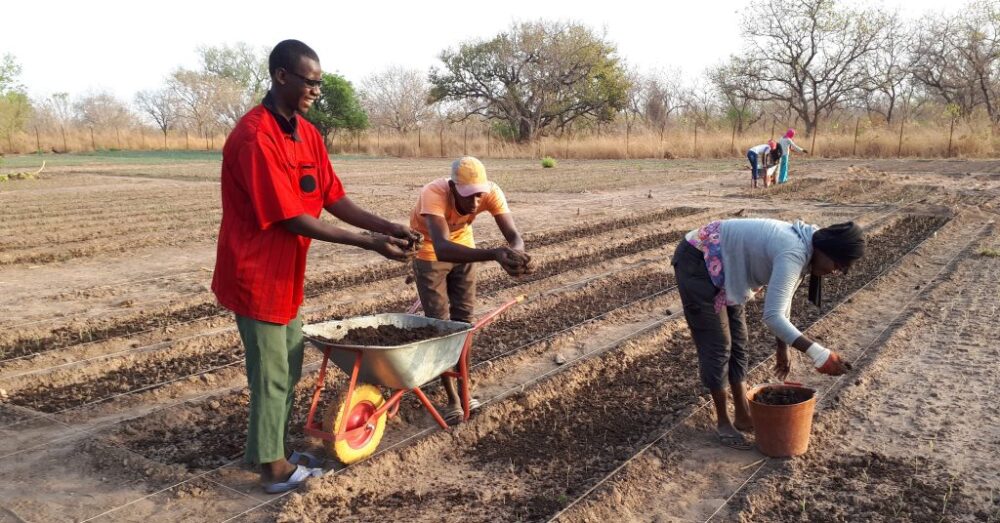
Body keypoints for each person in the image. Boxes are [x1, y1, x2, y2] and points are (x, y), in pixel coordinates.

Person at [211, 39, 420, 493]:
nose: (315, 91)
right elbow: (291, 217)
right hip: (255, 273)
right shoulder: (254, 137)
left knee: (285, 365)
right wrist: (370, 242)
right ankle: (274, 470)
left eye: (319, 84)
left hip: (287, 275)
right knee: (270, 375)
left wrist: (388, 226)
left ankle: (270, 452)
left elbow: (333, 197)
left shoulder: (307, 134)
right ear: (282, 76)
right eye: (310, 82)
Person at [671, 219, 863, 449]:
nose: (835, 271)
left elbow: (782, 304)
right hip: (699, 258)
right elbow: (772, 317)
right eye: (838, 265)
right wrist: (819, 354)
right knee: (719, 345)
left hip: (730, 268)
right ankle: (723, 422)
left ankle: (742, 416)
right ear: (827, 251)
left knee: (739, 344)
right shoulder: (793, 251)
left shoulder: (805, 249)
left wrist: (782, 347)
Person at [409, 156, 530, 424]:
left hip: (464, 248)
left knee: (463, 323)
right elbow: (441, 247)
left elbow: (515, 238)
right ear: (453, 187)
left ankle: (465, 390)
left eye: (479, 196)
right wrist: (494, 254)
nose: (475, 203)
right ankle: (451, 398)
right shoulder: (435, 193)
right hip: (430, 252)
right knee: (439, 327)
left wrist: (516, 256)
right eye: (468, 196)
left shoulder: (491, 192)